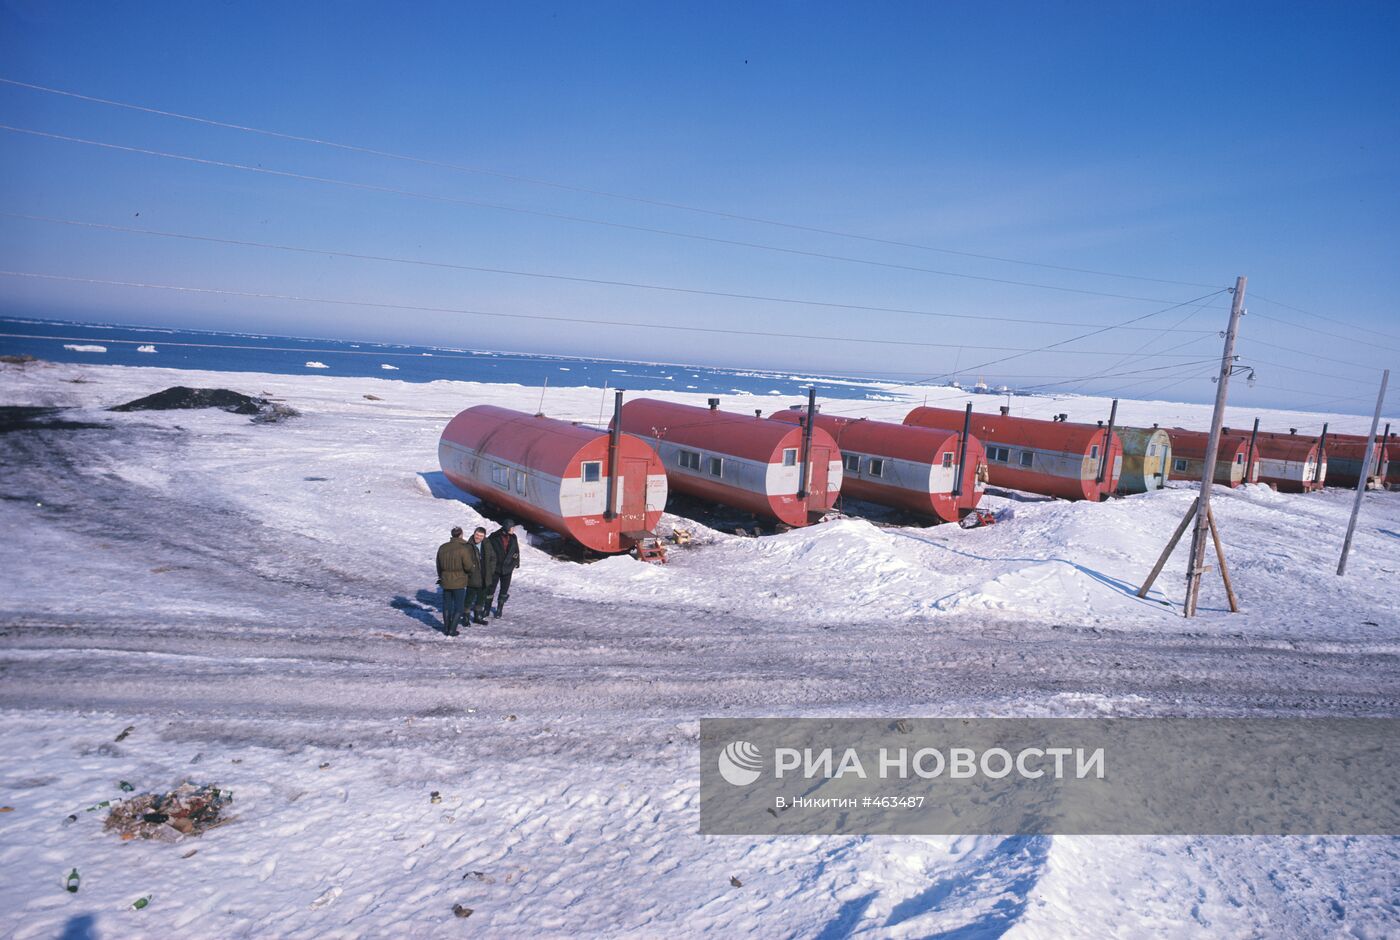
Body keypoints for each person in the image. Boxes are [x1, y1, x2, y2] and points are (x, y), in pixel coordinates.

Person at [434, 526, 474, 637]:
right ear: (461, 534)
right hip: (459, 581)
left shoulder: (442, 547)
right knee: (459, 607)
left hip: (446, 580)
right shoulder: (463, 549)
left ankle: (446, 628)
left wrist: (441, 576)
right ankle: (452, 629)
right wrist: (470, 571)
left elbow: (438, 565)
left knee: (447, 605)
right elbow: (468, 566)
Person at [482, 519, 522, 618]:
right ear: (507, 528)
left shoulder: (513, 538)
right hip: (495, 568)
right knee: (491, 589)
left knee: (504, 590)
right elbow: (487, 551)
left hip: (508, 569)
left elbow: (516, 550)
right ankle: (487, 609)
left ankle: (499, 609)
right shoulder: (494, 537)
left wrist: (516, 562)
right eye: (512, 528)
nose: (514, 529)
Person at [465, 527, 492, 625]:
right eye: (477, 535)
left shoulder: (487, 544)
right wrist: (470, 571)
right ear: (474, 534)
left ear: (484, 536)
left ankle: (477, 617)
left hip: (485, 576)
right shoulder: (468, 545)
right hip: (473, 577)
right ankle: (466, 618)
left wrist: (490, 571)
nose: (478, 537)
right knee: (469, 598)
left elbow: (493, 558)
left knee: (481, 598)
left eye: (481, 536)